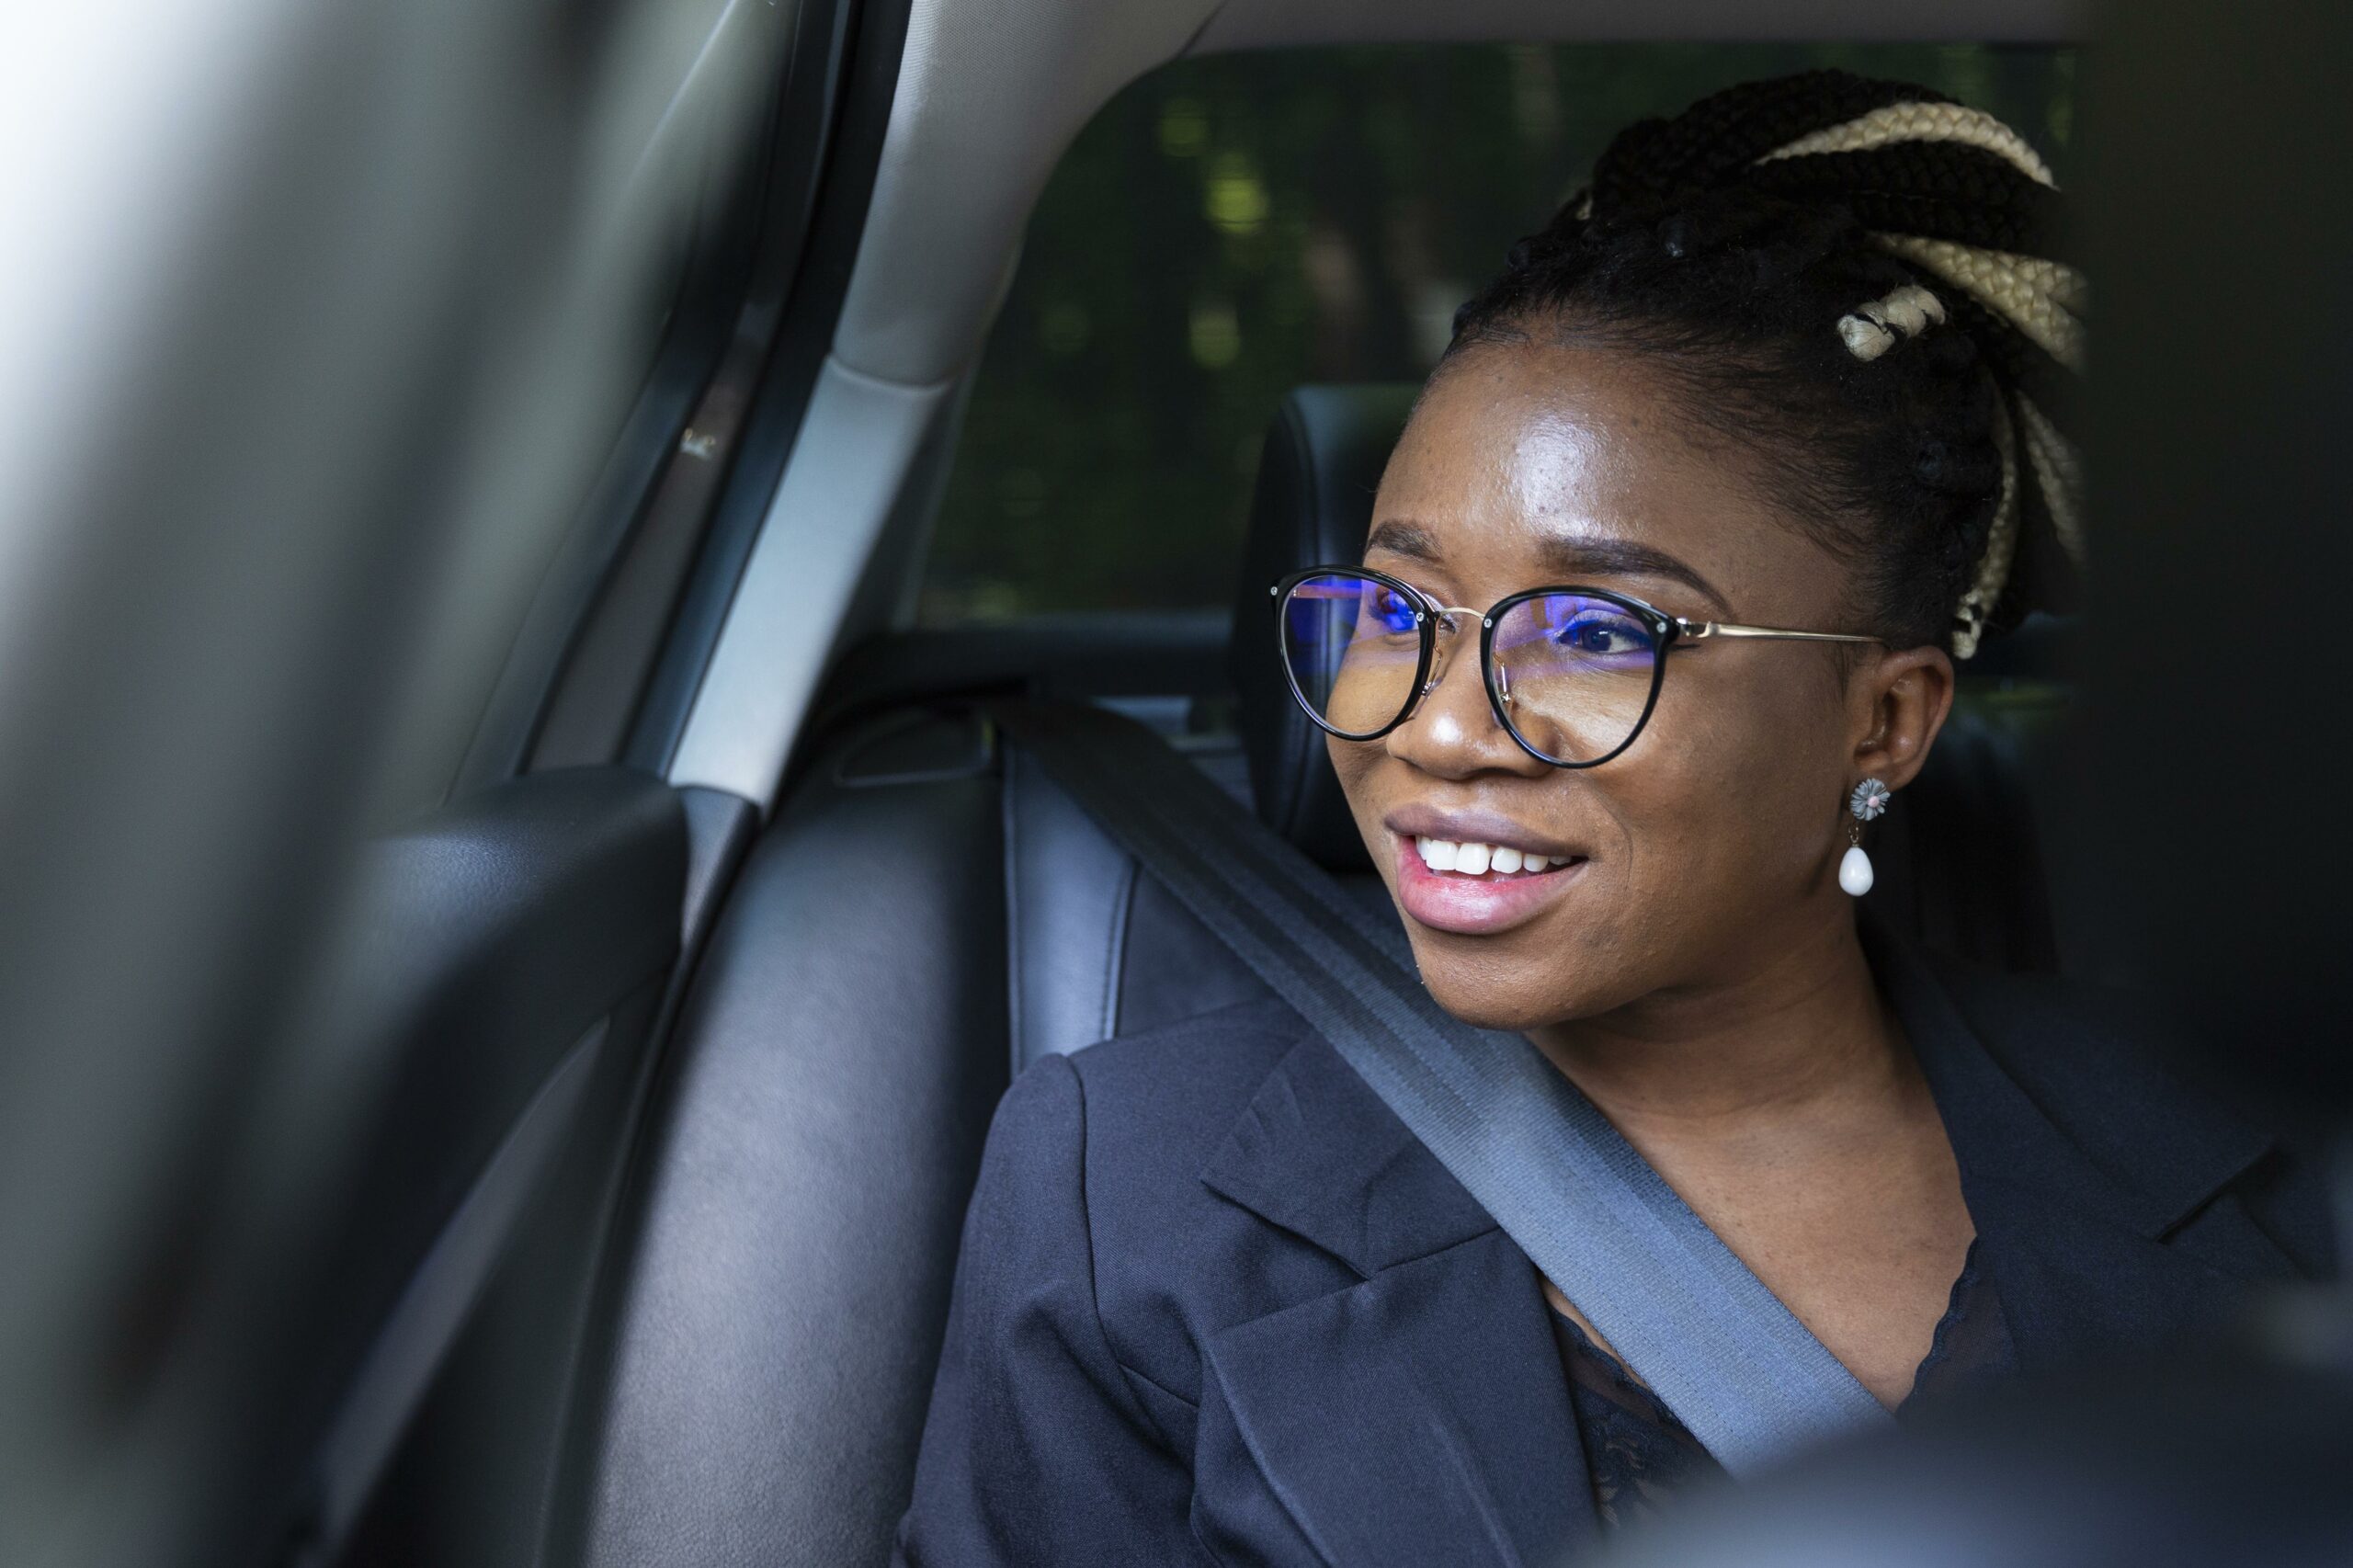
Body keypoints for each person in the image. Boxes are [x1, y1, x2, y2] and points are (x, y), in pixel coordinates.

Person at [892, 72, 2332, 1567]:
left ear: (1884, 721)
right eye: (1395, 609)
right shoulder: (1123, 1195)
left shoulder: (2249, 1159)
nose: (1439, 724)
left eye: (1591, 631)